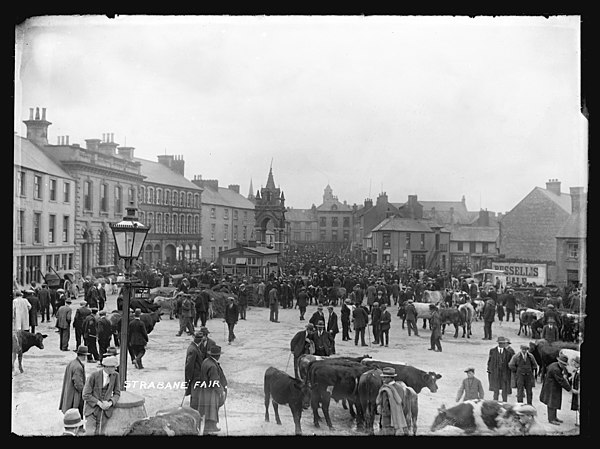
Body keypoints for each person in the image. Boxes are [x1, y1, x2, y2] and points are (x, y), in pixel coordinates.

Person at [82, 355, 121, 435]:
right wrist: (99, 403)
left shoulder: (115, 375)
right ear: (107, 367)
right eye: (114, 367)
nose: (115, 369)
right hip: (91, 410)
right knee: (89, 433)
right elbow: (85, 395)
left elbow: (117, 393)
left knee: (100, 433)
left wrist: (110, 403)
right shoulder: (94, 376)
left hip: (105, 411)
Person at [199, 345, 228, 435]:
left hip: (204, 390)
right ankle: (210, 428)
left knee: (207, 410)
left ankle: (210, 426)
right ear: (217, 356)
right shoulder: (213, 366)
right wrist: (221, 391)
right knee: (211, 410)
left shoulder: (206, 361)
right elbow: (214, 381)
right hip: (211, 392)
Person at [376, 367, 412, 435]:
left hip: (388, 421)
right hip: (399, 420)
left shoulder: (385, 390)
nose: (383, 379)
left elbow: (385, 408)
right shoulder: (400, 387)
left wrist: (383, 417)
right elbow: (403, 404)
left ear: (390, 377)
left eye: (385, 377)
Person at [539, 353, 572, 425]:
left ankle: (554, 417)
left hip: (553, 387)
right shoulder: (555, 369)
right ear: (560, 363)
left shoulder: (555, 364)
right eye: (564, 364)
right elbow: (561, 380)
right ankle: (551, 419)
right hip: (551, 388)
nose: (565, 366)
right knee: (551, 403)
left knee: (554, 402)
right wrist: (570, 389)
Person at [59, 345, 88, 418]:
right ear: (84, 356)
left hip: (69, 392)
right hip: (75, 395)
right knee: (77, 413)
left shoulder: (72, 363)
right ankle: (79, 428)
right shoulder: (78, 367)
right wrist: (85, 392)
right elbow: (78, 384)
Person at [185, 331, 207, 413]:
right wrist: (189, 377)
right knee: (195, 395)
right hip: (195, 376)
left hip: (195, 375)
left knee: (195, 394)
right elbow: (189, 365)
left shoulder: (194, 347)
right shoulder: (193, 349)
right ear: (200, 341)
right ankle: (194, 412)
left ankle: (195, 411)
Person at [487, 336, 514, 402]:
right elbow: (490, 361)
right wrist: (490, 371)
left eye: (503, 343)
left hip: (504, 374)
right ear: (498, 343)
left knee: (504, 391)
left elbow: (510, 363)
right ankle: (495, 403)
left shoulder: (508, 353)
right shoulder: (492, 351)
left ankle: (505, 403)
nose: (502, 344)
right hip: (495, 374)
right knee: (496, 391)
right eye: (501, 343)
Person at [570, 356, 580, 426]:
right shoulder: (577, 371)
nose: (573, 363)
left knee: (580, 407)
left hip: (578, 392)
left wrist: (577, 391)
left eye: (575, 362)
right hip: (576, 391)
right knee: (578, 407)